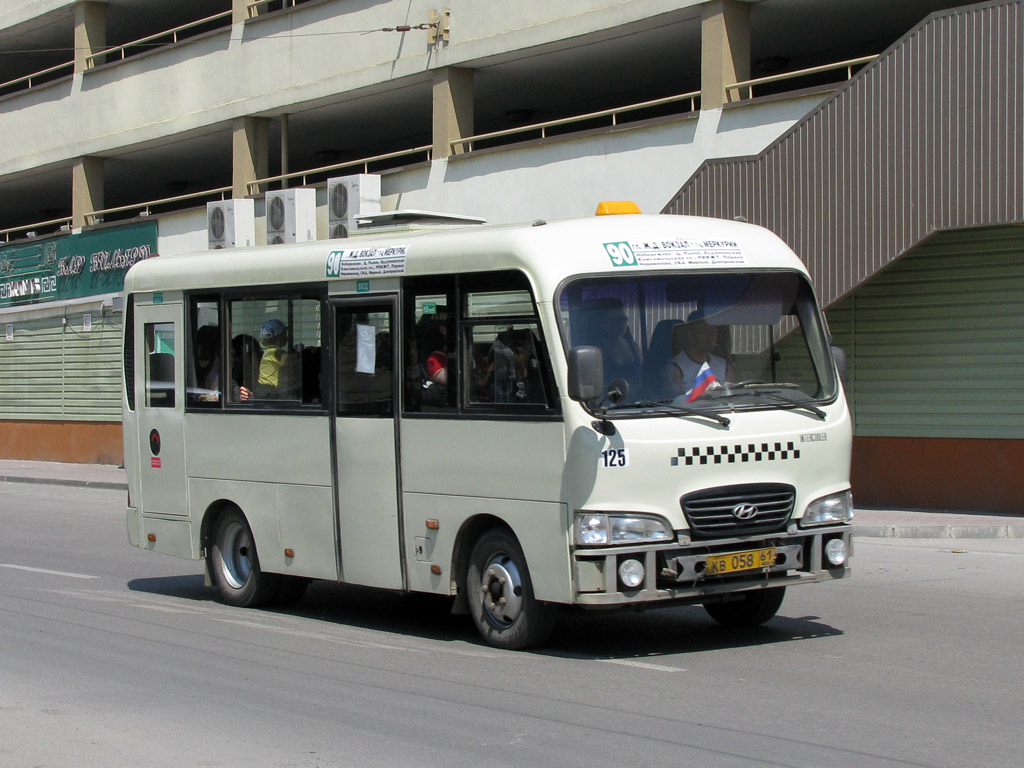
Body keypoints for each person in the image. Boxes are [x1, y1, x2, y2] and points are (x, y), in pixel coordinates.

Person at [663, 316, 733, 399]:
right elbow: (673, 402)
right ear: (691, 334)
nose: (711, 335)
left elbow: (732, 398)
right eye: (705, 331)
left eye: (714, 330)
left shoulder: (723, 365)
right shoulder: (675, 367)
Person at [592, 298, 641, 385]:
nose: (621, 324)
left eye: (623, 319)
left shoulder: (634, 346)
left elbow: (642, 374)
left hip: (636, 397)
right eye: (615, 321)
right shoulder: (598, 351)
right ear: (604, 325)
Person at [255, 319, 300, 399]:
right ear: (278, 337)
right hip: (268, 390)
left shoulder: (269, 351)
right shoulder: (274, 352)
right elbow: (289, 361)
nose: (286, 337)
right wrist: (298, 354)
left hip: (262, 388)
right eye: (284, 334)